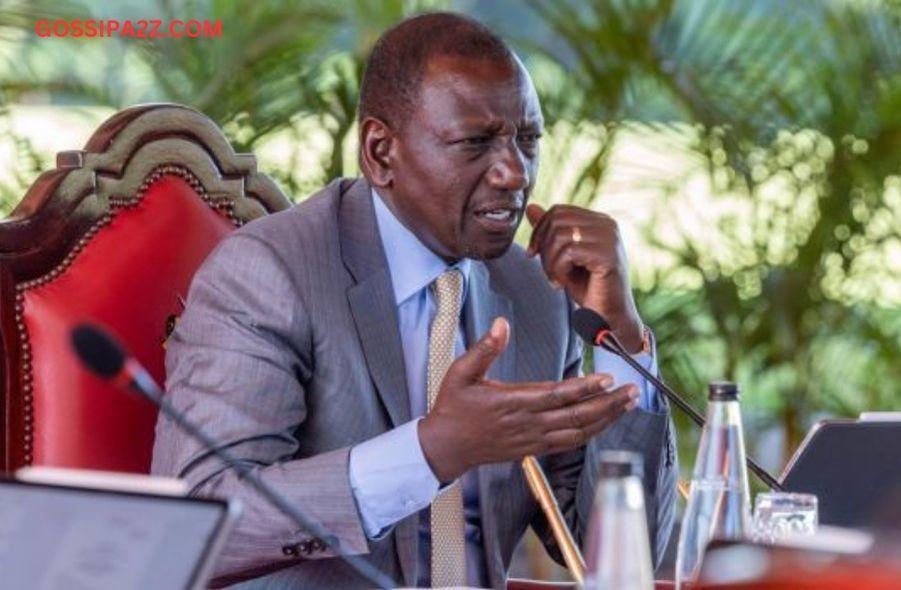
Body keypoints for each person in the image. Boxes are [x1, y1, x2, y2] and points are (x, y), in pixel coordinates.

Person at [152, 11, 677, 589]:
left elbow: (628, 557)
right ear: (381, 153)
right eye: (476, 143)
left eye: (527, 140)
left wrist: (620, 335)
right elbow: (203, 522)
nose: (514, 173)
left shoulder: (535, 292)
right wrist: (429, 452)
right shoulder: (272, 274)